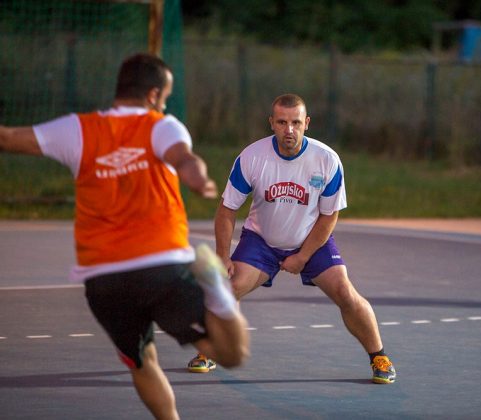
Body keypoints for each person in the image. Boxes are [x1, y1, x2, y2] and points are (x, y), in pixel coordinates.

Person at [0, 53, 250, 419]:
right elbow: (184, 158)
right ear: (153, 95)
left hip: (104, 281)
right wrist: (196, 178)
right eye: (165, 98)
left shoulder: (76, 129)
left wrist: (191, 170)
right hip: (162, 267)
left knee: (141, 361)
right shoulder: (161, 126)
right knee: (231, 354)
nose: (164, 105)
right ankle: (217, 290)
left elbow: (7, 138)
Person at [186, 93, 396, 384]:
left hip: (311, 240)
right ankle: (210, 349)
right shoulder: (252, 157)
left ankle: (379, 357)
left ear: (306, 123)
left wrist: (303, 256)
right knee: (228, 288)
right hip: (262, 241)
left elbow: (329, 217)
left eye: (296, 122)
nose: (289, 130)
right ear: (271, 123)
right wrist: (222, 256)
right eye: (282, 122)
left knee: (345, 292)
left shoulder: (326, 160)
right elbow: (227, 210)